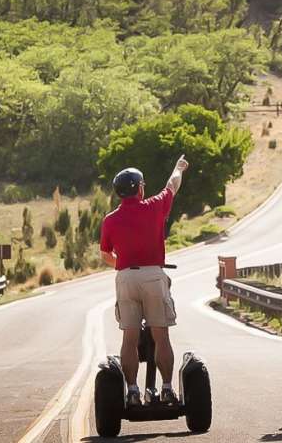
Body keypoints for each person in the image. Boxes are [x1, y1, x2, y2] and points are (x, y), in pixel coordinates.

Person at [100, 155, 189, 407]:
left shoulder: (110, 220)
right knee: (161, 335)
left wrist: (123, 264)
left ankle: (132, 391)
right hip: (152, 275)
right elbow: (172, 184)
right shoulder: (153, 206)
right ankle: (168, 389)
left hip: (126, 277)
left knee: (129, 337)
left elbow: (105, 254)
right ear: (139, 188)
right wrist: (178, 167)